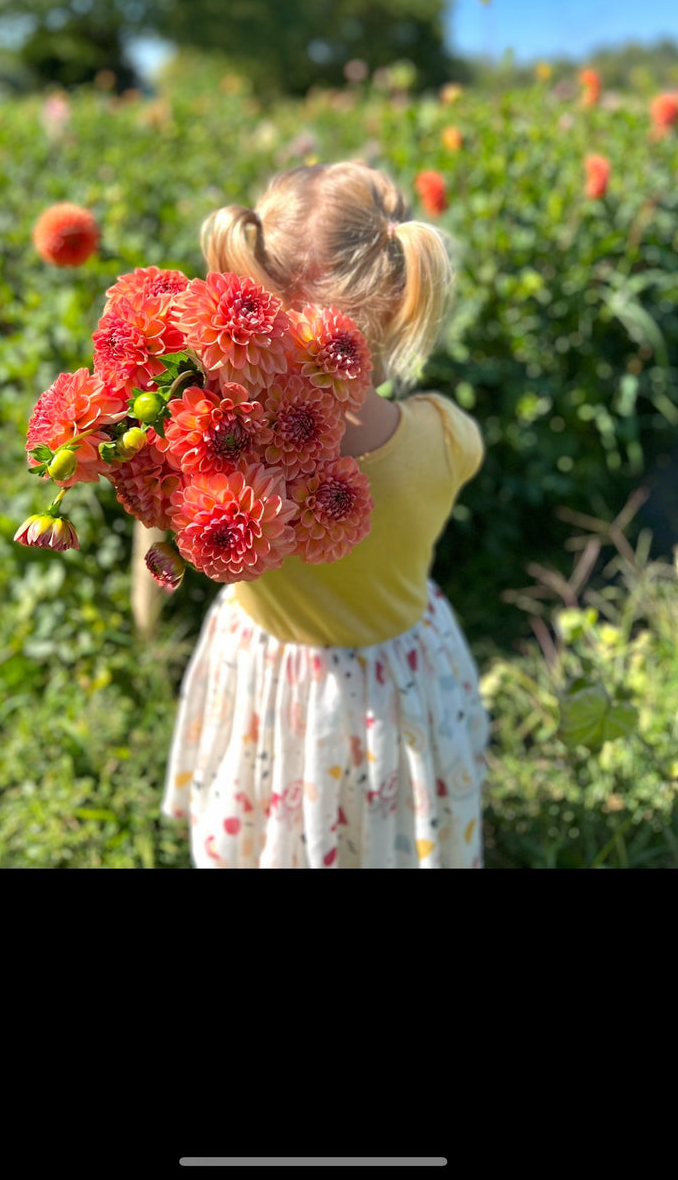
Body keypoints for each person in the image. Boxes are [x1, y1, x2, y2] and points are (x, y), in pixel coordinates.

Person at [160, 161, 490, 868]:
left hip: (265, 678)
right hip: (397, 680)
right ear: (402, 290)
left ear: (246, 294)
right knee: (391, 833)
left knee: (268, 825)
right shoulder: (446, 436)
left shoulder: (215, 435)